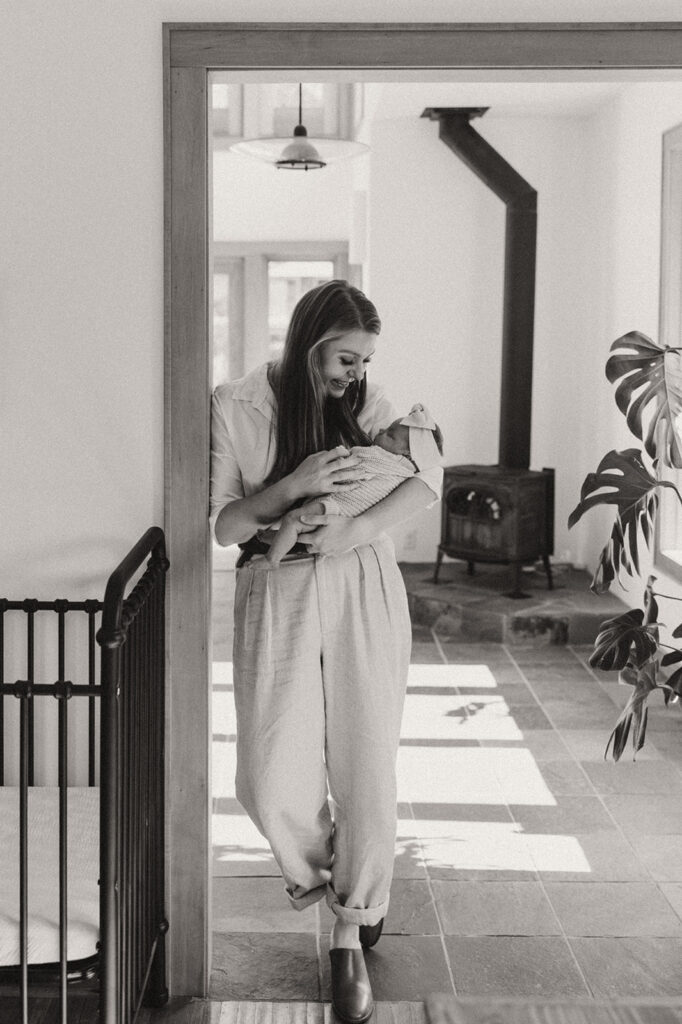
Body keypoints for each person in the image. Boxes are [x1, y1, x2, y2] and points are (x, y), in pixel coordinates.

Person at [210, 280, 443, 1023]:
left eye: (365, 359)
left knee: (366, 761)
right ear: (310, 340)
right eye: (346, 356)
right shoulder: (236, 404)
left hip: (361, 584)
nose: (354, 372)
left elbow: (426, 481)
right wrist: (294, 486)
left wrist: (354, 532)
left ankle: (350, 926)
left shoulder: (372, 405)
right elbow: (222, 525)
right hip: (274, 591)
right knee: (268, 780)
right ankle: (344, 875)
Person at [265, 405, 444, 567]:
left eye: (390, 434)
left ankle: (271, 560)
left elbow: (353, 462)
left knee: (294, 520)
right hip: (341, 513)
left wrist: (341, 455)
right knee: (301, 525)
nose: (381, 430)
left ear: (407, 454)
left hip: (343, 508)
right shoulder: (399, 463)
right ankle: (279, 541)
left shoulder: (384, 460)